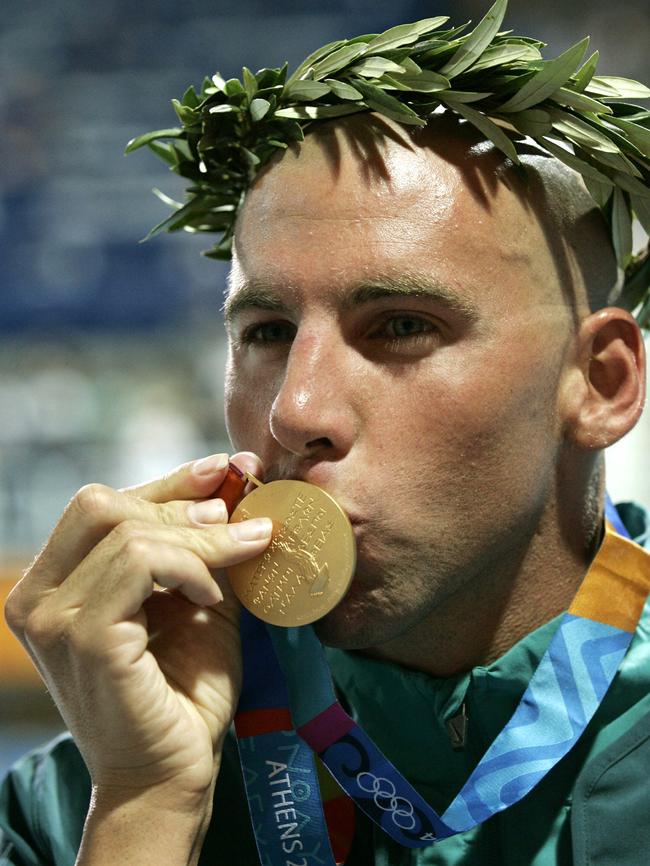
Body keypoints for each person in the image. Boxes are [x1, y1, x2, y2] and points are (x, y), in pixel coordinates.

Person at [2, 19, 650, 866]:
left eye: (403, 326)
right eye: (268, 332)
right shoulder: (73, 807)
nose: (294, 411)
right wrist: (146, 808)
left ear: (600, 384)